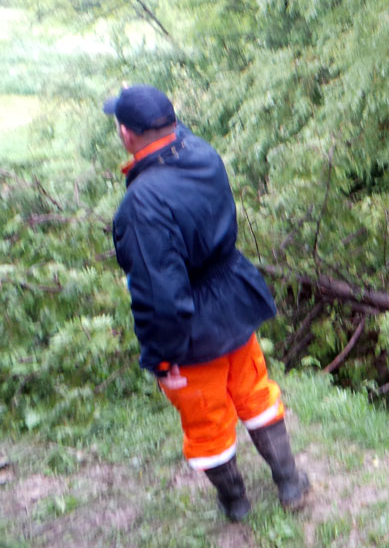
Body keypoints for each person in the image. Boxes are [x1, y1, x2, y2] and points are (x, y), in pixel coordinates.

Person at [104, 84, 309, 521]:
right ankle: (290, 482)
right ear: (172, 124)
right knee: (255, 392)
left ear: (126, 134)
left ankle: (235, 502)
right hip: (234, 301)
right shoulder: (201, 154)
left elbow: (161, 295)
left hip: (192, 326)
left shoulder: (141, 205)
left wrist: (163, 358)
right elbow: (178, 134)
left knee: (207, 418)